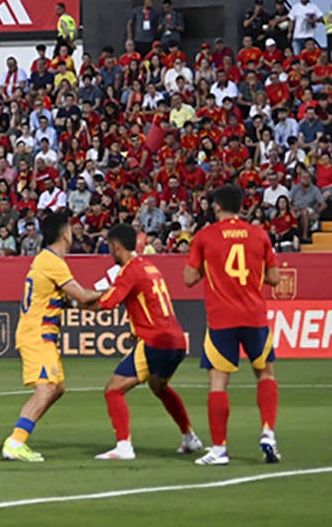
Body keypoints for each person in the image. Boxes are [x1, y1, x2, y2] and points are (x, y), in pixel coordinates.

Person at [183, 184, 282, 466]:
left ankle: (219, 449)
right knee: (265, 374)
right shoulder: (258, 234)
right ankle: (268, 432)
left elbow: (189, 279)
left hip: (221, 318)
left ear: (216, 207)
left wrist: (209, 267)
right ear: (241, 206)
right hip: (254, 316)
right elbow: (274, 278)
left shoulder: (205, 236)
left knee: (218, 383)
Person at [86, 224, 202, 460]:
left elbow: (106, 303)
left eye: (109, 246)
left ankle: (123, 446)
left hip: (156, 340)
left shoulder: (130, 270)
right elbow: (145, 301)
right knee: (159, 387)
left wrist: (74, 301)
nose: (109, 251)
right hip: (176, 341)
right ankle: (189, 437)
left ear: (117, 246)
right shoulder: (149, 266)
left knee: (113, 390)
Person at [1, 210, 101, 462]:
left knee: (57, 388)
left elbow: (74, 302)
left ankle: (18, 439)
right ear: (65, 234)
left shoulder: (46, 260)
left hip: (42, 333)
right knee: (46, 389)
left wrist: (102, 300)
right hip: (37, 333)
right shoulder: (53, 262)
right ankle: (15, 442)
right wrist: (116, 288)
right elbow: (83, 296)